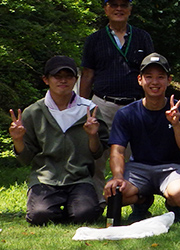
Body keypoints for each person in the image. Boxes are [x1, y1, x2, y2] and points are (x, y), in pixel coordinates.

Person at [9, 56, 107, 225]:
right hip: (45, 179)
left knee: (85, 214)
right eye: (57, 76)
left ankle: (75, 208)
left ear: (76, 79)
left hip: (79, 178)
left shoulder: (89, 110)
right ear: (46, 80)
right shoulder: (33, 112)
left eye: (68, 76)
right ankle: (54, 209)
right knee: (39, 215)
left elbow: (97, 153)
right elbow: (25, 159)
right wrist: (18, 140)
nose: (63, 80)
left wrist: (92, 135)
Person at [80, 0, 154, 201]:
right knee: (97, 155)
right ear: (106, 9)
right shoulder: (94, 40)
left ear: (130, 10)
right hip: (102, 104)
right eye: (114, 5)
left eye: (123, 5)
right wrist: (84, 107)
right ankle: (97, 200)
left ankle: (130, 201)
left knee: (133, 156)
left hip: (134, 106)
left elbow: (151, 74)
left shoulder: (142, 37)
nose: (119, 9)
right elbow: (87, 75)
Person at [104, 53, 180, 223]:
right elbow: (117, 151)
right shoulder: (126, 113)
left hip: (172, 168)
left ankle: (174, 206)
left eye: (160, 77)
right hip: (139, 168)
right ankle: (142, 201)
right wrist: (117, 176)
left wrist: (177, 124)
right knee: (114, 193)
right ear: (140, 80)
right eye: (149, 77)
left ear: (169, 80)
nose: (155, 82)